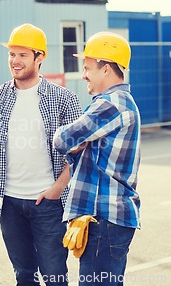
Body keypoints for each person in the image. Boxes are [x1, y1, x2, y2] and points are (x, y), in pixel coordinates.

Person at [0, 23, 83, 286]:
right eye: (12, 54)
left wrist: (57, 189)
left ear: (40, 57)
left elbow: (78, 154)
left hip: (47, 203)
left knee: (55, 276)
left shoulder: (63, 99)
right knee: (24, 276)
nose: (15, 61)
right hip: (9, 203)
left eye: (23, 55)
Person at [53, 31, 141, 286]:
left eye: (87, 67)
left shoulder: (111, 104)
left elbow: (63, 140)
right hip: (107, 218)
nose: (83, 75)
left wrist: (74, 141)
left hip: (105, 218)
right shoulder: (115, 103)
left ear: (106, 69)